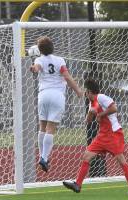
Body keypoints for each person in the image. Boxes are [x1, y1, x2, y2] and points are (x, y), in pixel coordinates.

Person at [63, 79, 128, 194]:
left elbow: (114, 108)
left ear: (90, 91)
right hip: (102, 135)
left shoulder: (101, 97)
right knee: (86, 156)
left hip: (113, 134)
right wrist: (90, 112)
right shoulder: (91, 103)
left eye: (86, 91)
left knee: (121, 160)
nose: (85, 93)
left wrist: (100, 114)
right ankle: (77, 185)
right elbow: (88, 121)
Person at [30, 36, 83, 172]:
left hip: (43, 94)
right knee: (51, 128)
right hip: (57, 95)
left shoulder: (39, 59)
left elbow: (37, 67)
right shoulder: (59, 60)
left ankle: (43, 156)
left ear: (40, 49)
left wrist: (34, 68)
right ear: (52, 47)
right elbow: (67, 77)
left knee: (42, 126)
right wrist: (78, 90)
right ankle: (44, 157)